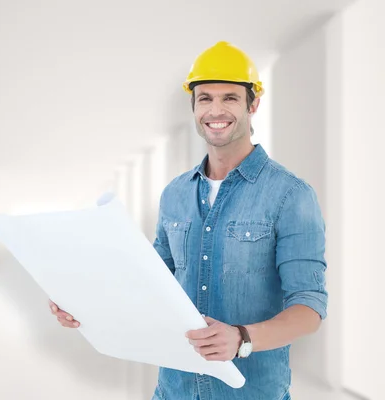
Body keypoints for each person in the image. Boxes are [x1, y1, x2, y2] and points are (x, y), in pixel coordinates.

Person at [48, 41, 328, 400]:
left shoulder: (291, 195)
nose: (216, 109)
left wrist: (242, 337)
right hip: (174, 390)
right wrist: (84, 303)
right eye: (205, 98)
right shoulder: (176, 194)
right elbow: (149, 284)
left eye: (229, 98)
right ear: (193, 106)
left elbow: (309, 307)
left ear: (253, 104)